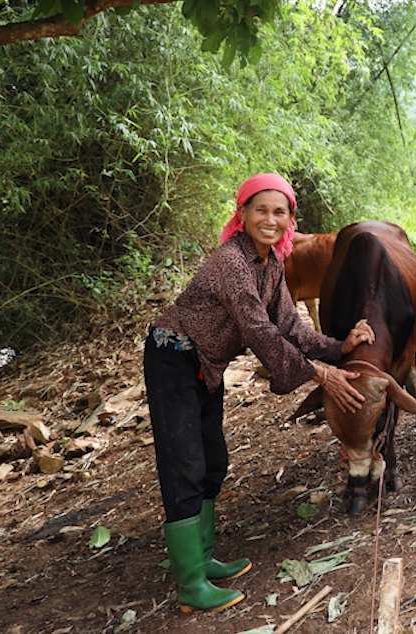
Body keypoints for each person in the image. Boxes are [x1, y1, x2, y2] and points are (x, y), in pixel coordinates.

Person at [143, 173, 374, 613]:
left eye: (280, 212)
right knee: (184, 464)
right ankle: (191, 584)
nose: (270, 219)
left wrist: (339, 346)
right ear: (243, 214)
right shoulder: (231, 262)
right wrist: (319, 375)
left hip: (204, 365)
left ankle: (205, 559)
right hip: (172, 357)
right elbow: (259, 332)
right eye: (260, 210)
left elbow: (288, 324)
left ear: (290, 219)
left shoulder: (271, 264)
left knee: (214, 460)